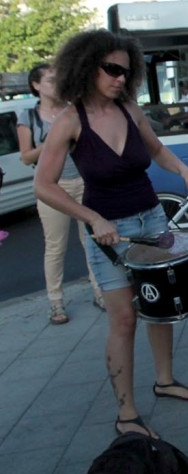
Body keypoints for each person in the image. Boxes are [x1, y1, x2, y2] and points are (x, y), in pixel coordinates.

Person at [34, 29, 188, 439]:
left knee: (160, 305)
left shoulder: (129, 109)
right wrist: (92, 218)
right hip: (110, 232)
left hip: (151, 218)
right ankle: (126, 412)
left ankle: (164, 381)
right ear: (88, 66)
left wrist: (183, 170)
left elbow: (157, 150)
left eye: (126, 72)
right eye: (112, 70)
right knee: (125, 318)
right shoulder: (69, 121)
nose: (121, 79)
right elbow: (45, 184)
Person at [17, 63, 104, 324]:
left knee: (91, 240)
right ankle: (56, 302)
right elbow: (26, 157)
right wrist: (53, 140)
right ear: (36, 86)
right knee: (55, 246)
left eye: (58, 79)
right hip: (53, 188)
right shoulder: (28, 116)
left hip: (83, 181)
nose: (56, 85)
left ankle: (99, 291)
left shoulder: (71, 110)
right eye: (50, 80)